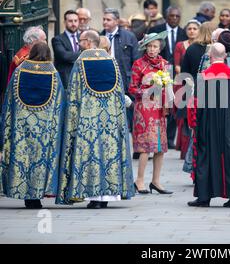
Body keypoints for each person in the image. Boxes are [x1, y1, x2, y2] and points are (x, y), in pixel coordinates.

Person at [57, 30, 134, 208]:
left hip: (88, 120)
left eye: (81, 40)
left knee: (91, 155)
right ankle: (106, 198)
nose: (79, 44)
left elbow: (74, 93)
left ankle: (93, 197)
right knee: (108, 154)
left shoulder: (81, 61)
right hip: (110, 120)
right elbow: (118, 92)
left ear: (90, 42)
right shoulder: (112, 61)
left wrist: (72, 118)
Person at [0, 42, 65, 209]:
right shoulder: (53, 72)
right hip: (44, 126)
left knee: (24, 158)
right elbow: (60, 101)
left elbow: (9, 98)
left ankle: (25, 194)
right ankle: (37, 194)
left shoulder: (20, 71)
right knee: (41, 159)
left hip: (22, 124)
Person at [187, 43, 230, 208]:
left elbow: (195, 105)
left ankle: (204, 197)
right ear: (225, 56)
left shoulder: (203, 76)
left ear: (210, 56)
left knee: (206, 156)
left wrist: (194, 125)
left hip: (209, 123)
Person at [129, 31, 173, 195]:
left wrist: (168, 104)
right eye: (149, 46)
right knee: (146, 146)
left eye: (155, 46)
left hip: (160, 109)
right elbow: (132, 88)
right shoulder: (138, 64)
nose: (152, 49)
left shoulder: (165, 64)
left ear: (159, 48)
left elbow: (170, 87)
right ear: (145, 47)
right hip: (144, 108)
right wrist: (147, 90)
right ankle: (139, 180)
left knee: (160, 147)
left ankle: (156, 181)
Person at [148, 6, 188, 149]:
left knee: (172, 104)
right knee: (159, 104)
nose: (174, 18)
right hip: (159, 72)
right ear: (166, 16)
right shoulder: (156, 30)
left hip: (177, 73)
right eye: (172, 16)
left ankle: (170, 137)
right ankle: (157, 136)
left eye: (177, 16)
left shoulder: (184, 33)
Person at [173, 19, 201, 159]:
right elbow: (177, 65)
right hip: (183, 82)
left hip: (197, 83)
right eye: (189, 28)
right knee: (184, 117)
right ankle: (184, 150)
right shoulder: (180, 45)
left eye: (195, 29)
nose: (192, 31)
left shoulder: (201, 46)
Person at [52, 10, 81, 89]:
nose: (73, 24)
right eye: (70, 21)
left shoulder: (83, 37)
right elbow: (64, 56)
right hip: (65, 79)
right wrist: (83, 53)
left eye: (75, 21)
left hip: (82, 77)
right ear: (65, 22)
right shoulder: (57, 39)